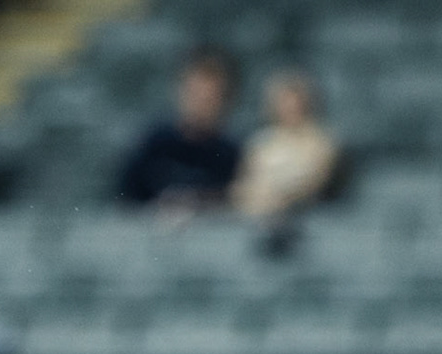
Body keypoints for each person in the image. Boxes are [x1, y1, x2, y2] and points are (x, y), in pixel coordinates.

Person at [115, 47, 240, 209]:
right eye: (195, 94)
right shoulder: (153, 144)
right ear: (181, 92)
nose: (200, 105)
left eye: (210, 98)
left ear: (225, 101)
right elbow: (124, 202)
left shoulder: (231, 155)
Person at [229, 72, 337, 223]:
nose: (291, 107)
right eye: (285, 101)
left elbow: (316, 183)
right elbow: (244, 183)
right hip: (256, 216)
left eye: (296, 101)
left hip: (302, 216)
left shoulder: (322, 142)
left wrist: (283, 198)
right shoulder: (261, 142)